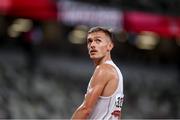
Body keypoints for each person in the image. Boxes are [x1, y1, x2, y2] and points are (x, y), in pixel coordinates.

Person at [71, 26, 124, 119]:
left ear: (110, 46)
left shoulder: (103, 70)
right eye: (90, 41)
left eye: (98, 40)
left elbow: (85, 109)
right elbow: (118, 114)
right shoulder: (116, 72)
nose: (92, 45)